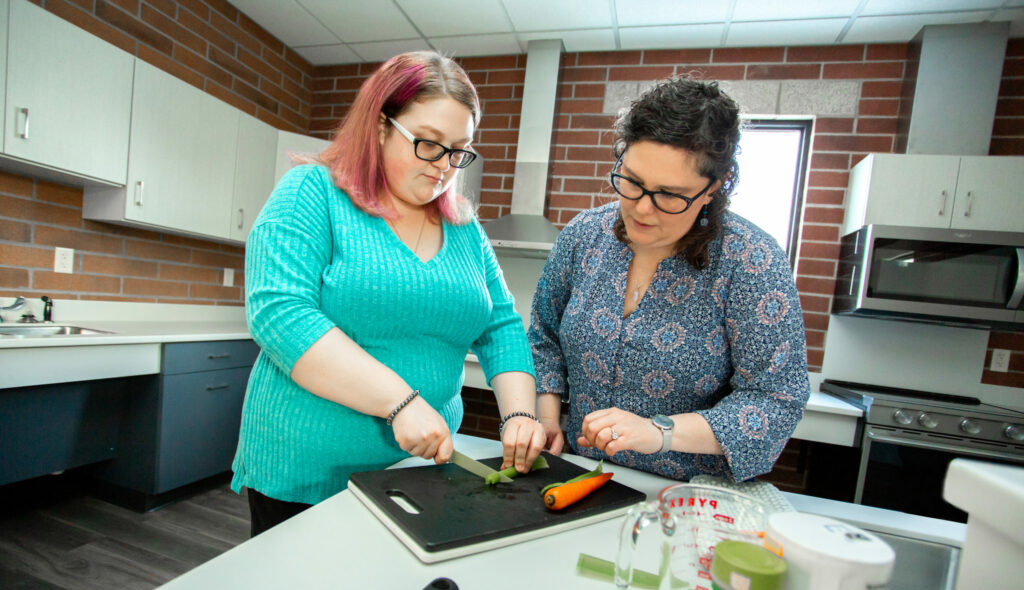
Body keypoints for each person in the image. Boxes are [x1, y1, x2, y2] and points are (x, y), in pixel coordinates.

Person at [232, 51, 546, 536]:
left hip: (419, 472)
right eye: (428, 144)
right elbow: (281, 315)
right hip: (311, 471)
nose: (444, 166)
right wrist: (399, 402)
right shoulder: (312, 193)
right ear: (380, 127)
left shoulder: (464, 228)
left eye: (459, 149)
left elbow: (501, 325)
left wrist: (521, 415)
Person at [527, 77, 810, 483]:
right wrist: (548, 415)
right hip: (581, 474)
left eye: (670, 195)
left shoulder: (750, 260)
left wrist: (660, 432)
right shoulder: (584, 235)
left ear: (714, 188)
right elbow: (544, 335)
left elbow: (775, 400)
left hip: (688, 495)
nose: (643, 209)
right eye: (633, 182)